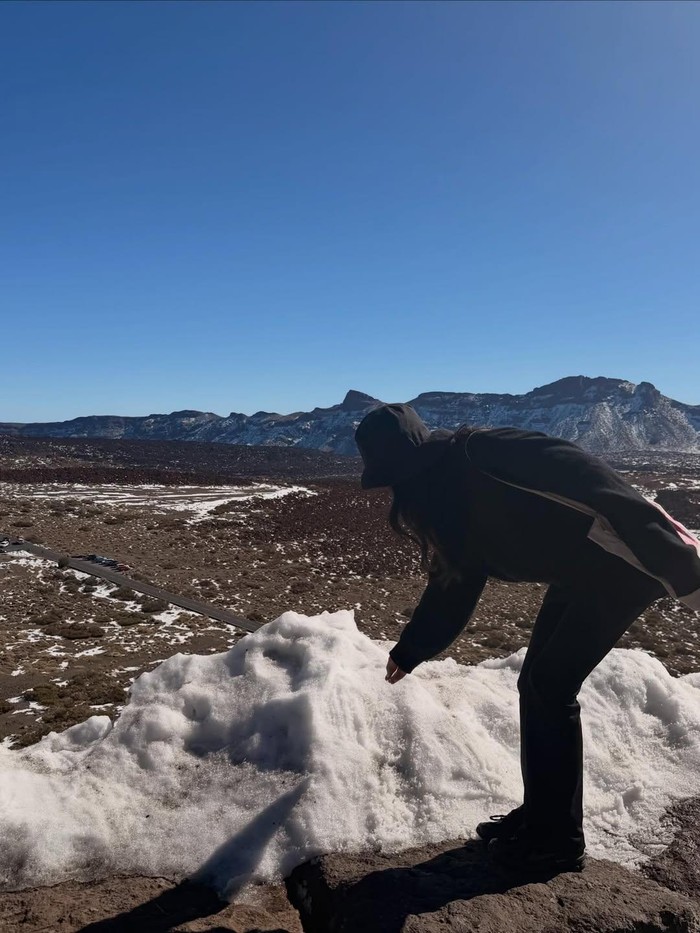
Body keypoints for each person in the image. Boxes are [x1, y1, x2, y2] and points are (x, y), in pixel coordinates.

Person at [355, 403, 700, 876]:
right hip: (579, 570)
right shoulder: (441, 497)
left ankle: (558, 841)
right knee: (535, 685)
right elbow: (455, 580)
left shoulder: (486, 452)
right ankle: (542, 818)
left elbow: (600, 484)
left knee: (550, 687)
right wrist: (413, 648)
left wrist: (687, 574)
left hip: (625, 559)